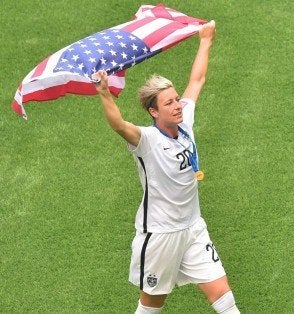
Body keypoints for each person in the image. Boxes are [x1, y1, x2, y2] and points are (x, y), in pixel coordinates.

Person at [93, 21, 239, 314]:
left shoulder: (185, 123)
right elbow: (119, 125)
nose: (178, 106)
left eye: (176, 100)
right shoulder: (145, 140)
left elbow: (196, 81)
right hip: (160, 235)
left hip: (194, 228)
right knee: (151, 306)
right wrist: (104, 93)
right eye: (169, 103)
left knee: (224, 297)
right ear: (154, 111)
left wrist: (205, 40)